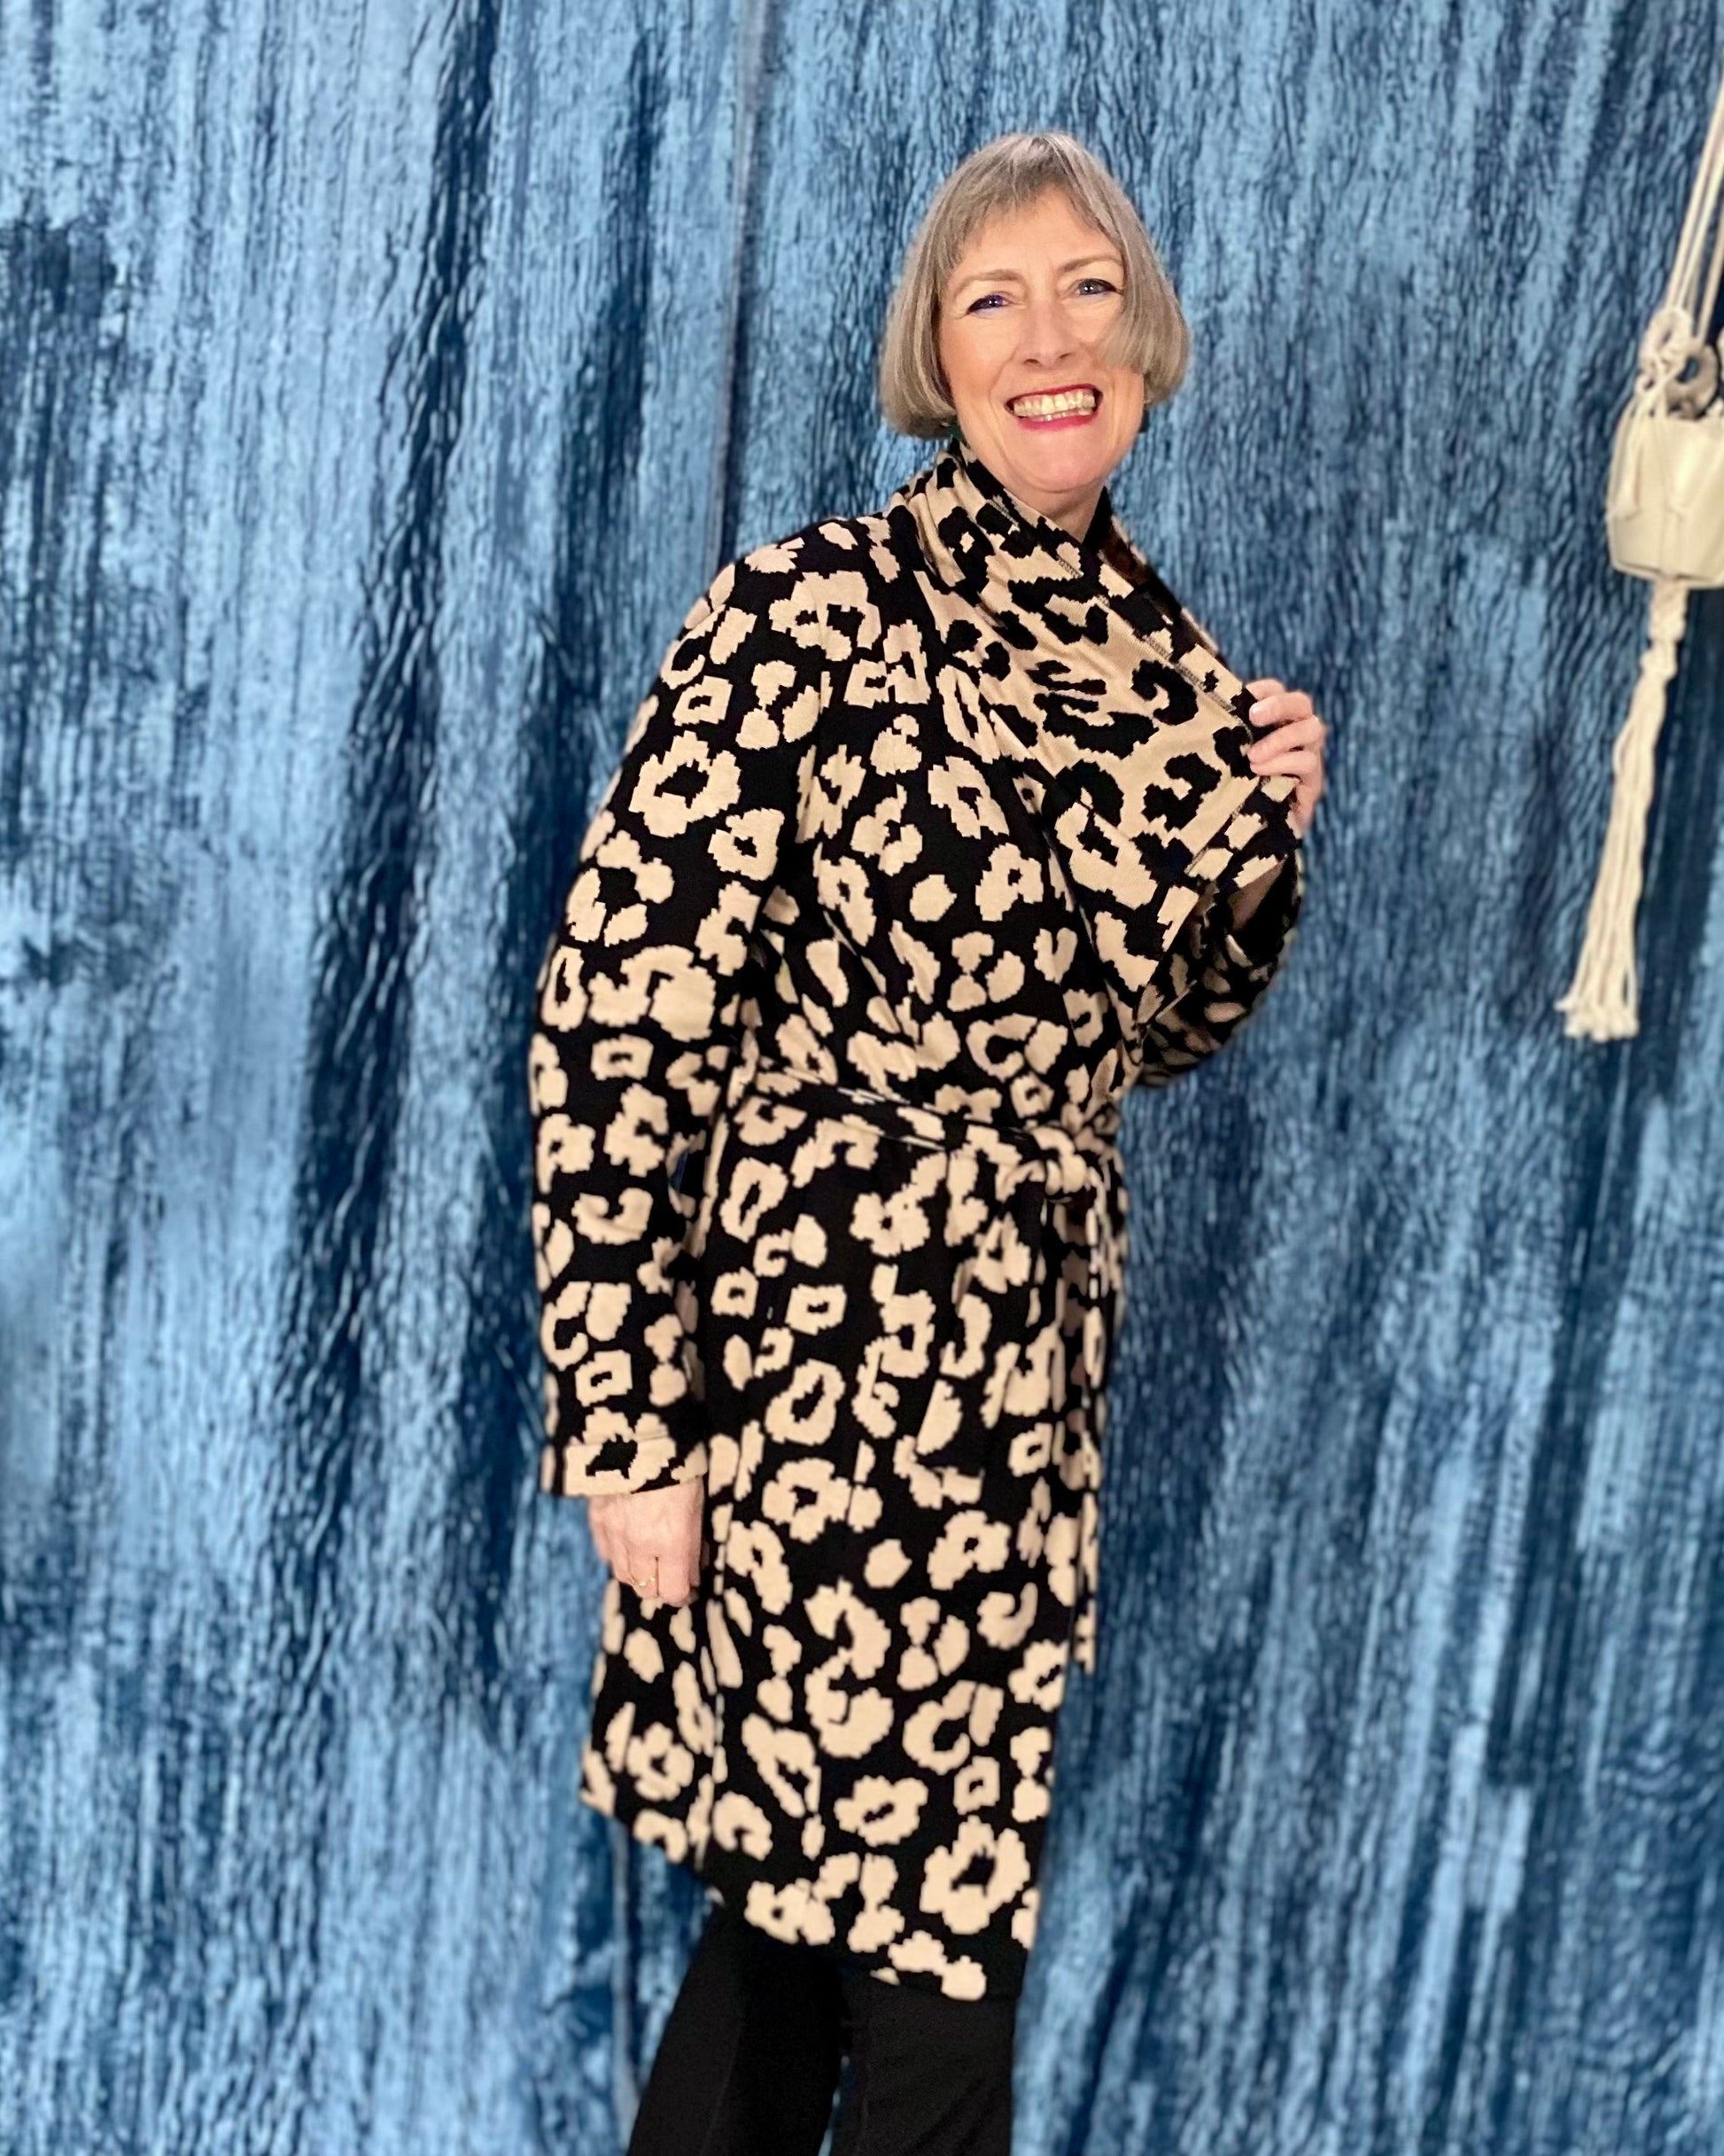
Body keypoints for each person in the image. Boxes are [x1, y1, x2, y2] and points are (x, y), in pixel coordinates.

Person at [526, 128, 1327, 2156]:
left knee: (806, 1932)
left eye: (1086, 290)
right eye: (994, 299)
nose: (1049, 339)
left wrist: (1256, 861)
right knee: (927, 1965)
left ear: (1144, 337)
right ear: (935, 356)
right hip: (810, 1378)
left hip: (1022, 1400)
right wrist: (629, 1423)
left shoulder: (1169, 670)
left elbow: (1146, 1041)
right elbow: (619, 1014)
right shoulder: (806, 613)